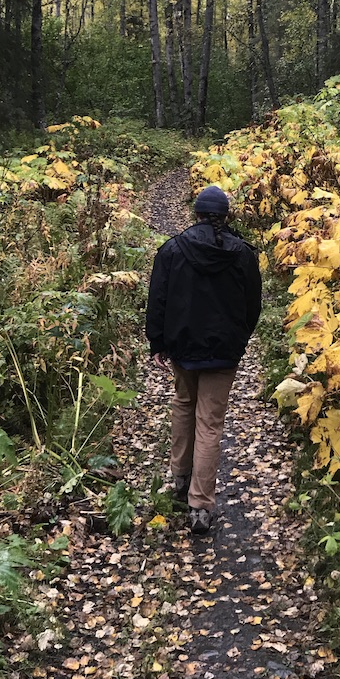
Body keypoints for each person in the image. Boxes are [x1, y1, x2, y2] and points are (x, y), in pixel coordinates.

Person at [145, 185, 262, 534]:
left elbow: (159, 300)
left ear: (195, 213)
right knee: (210, 422)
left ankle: (179, 478)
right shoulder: (242, 254)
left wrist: (158, 343)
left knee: (183, 404)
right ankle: (201, 506)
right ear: (225, 216)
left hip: (182, 348)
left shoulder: (172, 250)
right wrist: (239, 339)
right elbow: (252, 305)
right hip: (223, 352)